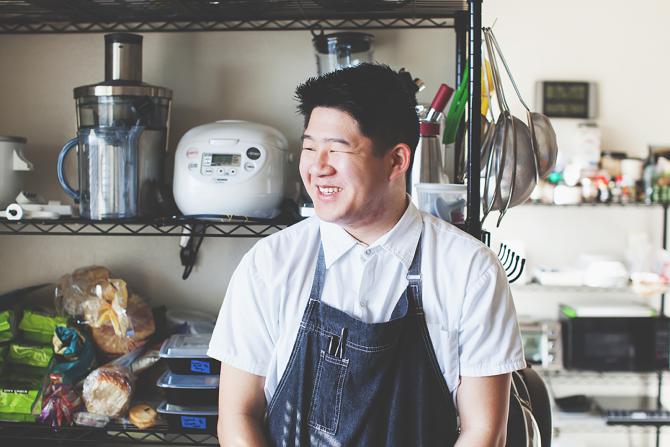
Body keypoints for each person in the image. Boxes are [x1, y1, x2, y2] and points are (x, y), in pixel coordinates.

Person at [207, 63, 526, 447]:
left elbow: (484, 431)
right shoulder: (270, 263)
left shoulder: (470, 270)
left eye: (337, 150)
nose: (317, 167)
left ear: (396, 161)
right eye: (309, 148)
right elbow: (237, 416)